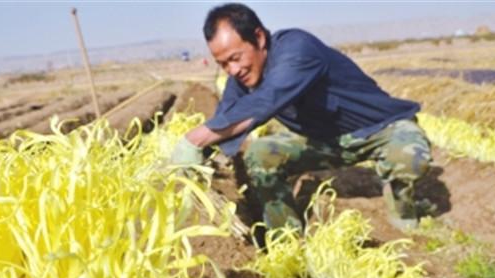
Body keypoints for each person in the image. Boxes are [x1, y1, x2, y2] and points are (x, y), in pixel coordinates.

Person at [170, 2, 432, 231]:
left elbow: (267, 100)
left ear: (259, 38)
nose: (233, 70)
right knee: (261, 153)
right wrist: (194, 163)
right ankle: (286, 235)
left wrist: (193, 139)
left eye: (235, 58)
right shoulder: (241, 78)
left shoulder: (297, 49)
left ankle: (404, 218)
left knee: (407, 155)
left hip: (380, 129)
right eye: (223, 64)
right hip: (326, 143)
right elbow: (226, 117)